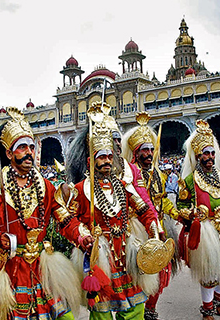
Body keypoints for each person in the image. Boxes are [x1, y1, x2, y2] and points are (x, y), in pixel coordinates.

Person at [0, 108, 92, 319]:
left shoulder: (46, 187)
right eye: (22, 147)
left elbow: (65, 220)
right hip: (9, 269)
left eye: (32, 147)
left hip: (43, 268)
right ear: (9, 153)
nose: (29, 152)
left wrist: (82, 235)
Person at [68, 106, 164, 320]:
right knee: (101, 313)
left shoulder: (123, 185)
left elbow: (145, 210)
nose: (107, 161)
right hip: (99, 257)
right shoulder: (81, 190)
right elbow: (68, 221)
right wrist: (81, 234)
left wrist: (153, 228)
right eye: (102, 156)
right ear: (90, 160)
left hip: (126, 254)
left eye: (110, 156)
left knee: (135, 308)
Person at [176, 120, 220, 320]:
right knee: (209, 274)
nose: (210, 157)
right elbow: (181, 207)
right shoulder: (189, 181)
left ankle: (217, 301)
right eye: (206, 154)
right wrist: (192, 214)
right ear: (197, 156)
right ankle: (207, 310)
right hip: (206, 232)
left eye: (212, 153)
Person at [121, 112, 179, 320]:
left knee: (160, 274)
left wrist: (177, 213)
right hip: (138, 230)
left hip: (159, 227)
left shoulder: (158, 174)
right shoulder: (129, 174)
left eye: (151, 149)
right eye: (144, 150)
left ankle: (150, 310)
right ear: (135, 153)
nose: (148, 153)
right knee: (141, 275)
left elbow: (162, 201)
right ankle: (140, 309)